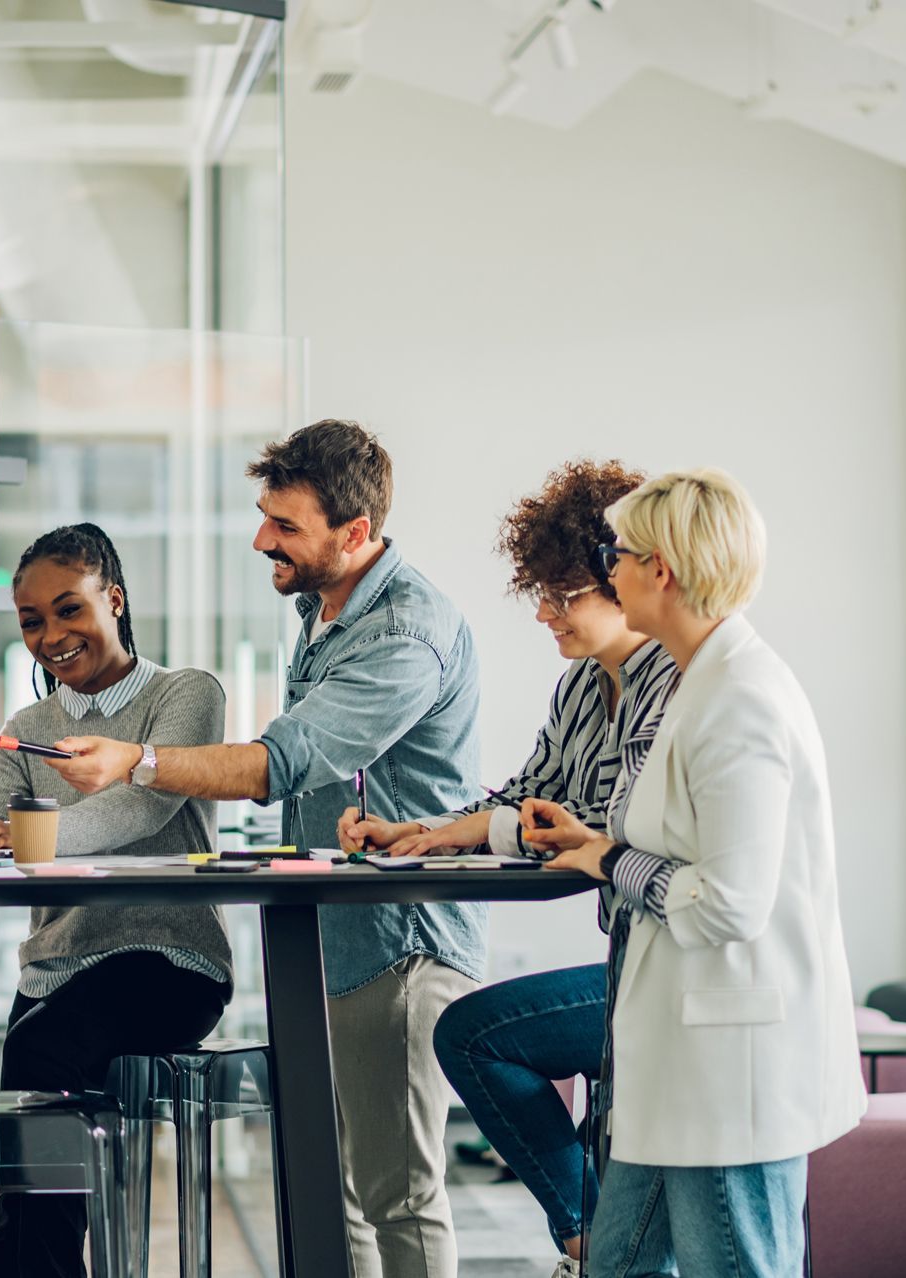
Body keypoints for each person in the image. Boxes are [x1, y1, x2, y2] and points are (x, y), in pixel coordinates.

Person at [40, 419, 484, 1278]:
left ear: (355, 534)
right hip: (331, 945)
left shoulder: (405, 631)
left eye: (285, 527)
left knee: (397, 1195)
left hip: (400, 948)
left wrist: (141, 759)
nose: (260, 540)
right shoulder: (328, 609)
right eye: (263, 516)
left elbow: (281, 762)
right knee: (335, 1192)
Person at [334, 460, 679, 1278]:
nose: (543, 613)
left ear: (620, 579)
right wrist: (414, 831)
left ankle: (589, 1240)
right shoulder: (579, 689)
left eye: (563, 596)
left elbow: (597, 831)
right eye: (540, 592)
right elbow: (529, 803)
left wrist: (524, 830)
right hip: (631, 958)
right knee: (477, 1036)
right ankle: (597, 1242)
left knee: (476, 1034)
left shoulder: (676, 685)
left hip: (675, 964)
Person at [522, 468, 866, 1278]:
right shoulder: (694, 680)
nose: (611, 568)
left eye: (620, 553)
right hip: (675, 1065)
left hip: (726, 1071)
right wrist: (593, 839)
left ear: (661, 570)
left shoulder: (740, 698)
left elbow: (729, 904)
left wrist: (609, 858)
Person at [0, 523, 232, 1278]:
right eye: (33, 621)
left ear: (114, 599)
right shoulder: (26, 728)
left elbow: (138, 811)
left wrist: (18, 834)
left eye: (70, 610)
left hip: (169, 960)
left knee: (39, 1049)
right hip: (55, 971)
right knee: (37, 1059)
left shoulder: (186, 695)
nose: (52, 636)